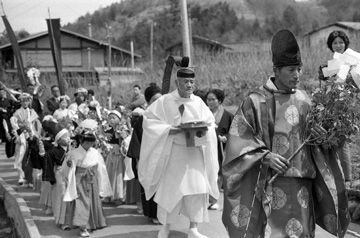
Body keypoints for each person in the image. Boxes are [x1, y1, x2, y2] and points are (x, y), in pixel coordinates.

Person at [222, 29, 350, 238]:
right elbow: (239, 139)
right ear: (276, 70)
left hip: (303, 184)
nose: (297, 75)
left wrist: (321, 137)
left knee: (303, 233)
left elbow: (317, 145)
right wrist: (265, 156)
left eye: (299, 69)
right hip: (271, 183)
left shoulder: (305, 100)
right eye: (291, 70)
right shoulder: (255, 101)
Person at [139, 69, 219, 238]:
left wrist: (205, 129)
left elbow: (211, 123)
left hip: (195, 153)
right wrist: (169, 130)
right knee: (171, 190)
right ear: (177, 83)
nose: (189, 85)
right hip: (175, 151)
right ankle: (166, 227)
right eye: (185, 82)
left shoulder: (198, 102)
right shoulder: (165, 101)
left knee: (197, 190)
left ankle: (193, 228)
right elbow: (149, 121)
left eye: (192, 82)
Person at [62, 119, 113, 237]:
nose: (89, 145)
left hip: (92, 178)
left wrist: (102, 184)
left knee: (94, 200)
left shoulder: (95, 152)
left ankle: (94, 222)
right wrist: (70, 167)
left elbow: (101, 168)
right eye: (87, 143)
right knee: (82, 202)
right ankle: (83, 227)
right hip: (80, 179)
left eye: (91, 143)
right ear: (81, 141)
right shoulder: (74, 153)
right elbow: (67, 168)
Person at [318, 30, 352, 182]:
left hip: (346, 106)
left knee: (342, 141)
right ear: (330, 46)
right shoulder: (329, 65)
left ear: (345, 44)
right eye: (335, 43)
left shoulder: (353, 62)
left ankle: (347, 179)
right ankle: (338, 177)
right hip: (331, 106)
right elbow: (325, 87)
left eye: (341, 42)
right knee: (332, 141)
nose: (338, 45)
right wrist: (323, 74)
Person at [127, 83, 162, 225]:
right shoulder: (144, 119)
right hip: (148, 160)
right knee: (151, 188)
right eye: (154, 100)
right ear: (147, 102)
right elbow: (136, 142)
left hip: (164, 159)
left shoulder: (168, 117)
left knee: (164, 188)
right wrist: (139, 161)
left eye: (160, 99)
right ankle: (152, 214)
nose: (158, 102)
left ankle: (164, 214)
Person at [205, 89, 233, 210]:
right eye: (208, 99)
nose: (210, 102)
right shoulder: (203, 113)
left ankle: (213, 199)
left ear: (219, 101)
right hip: (206, 147)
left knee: (218, 173)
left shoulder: (228, 115)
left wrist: (225, 137)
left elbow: (233, 132)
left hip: (220, 148)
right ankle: (204, 198)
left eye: (213, 99)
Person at [104, 110, 126, 204]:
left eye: (113, 118)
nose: (111, 120)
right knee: (109, 174)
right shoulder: (107, 131)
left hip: (119, 154)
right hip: (110, 154)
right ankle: (108, 195)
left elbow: (124, 143)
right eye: (109, 118)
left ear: (119, 119)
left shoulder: (122, 130)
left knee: (118, 174)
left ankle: (118, 196)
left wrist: (121, 135)